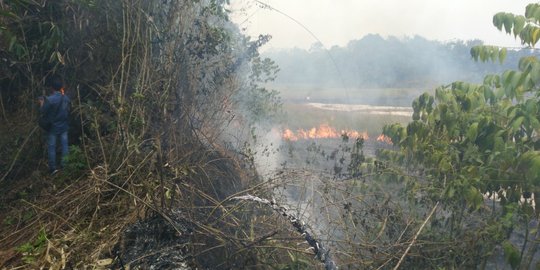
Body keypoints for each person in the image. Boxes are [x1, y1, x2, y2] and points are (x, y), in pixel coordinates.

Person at [39, 76, 71, 174]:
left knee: (51, 147)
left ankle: (53, 169)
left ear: (52, 88)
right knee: (65, 145)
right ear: (61, 87)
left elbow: (42, 111)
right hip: (64, 125)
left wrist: (41, 103)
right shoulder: (66, 98)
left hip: (53, 127)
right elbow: (68, 111)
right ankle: (65, 166)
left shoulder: (49, 99)